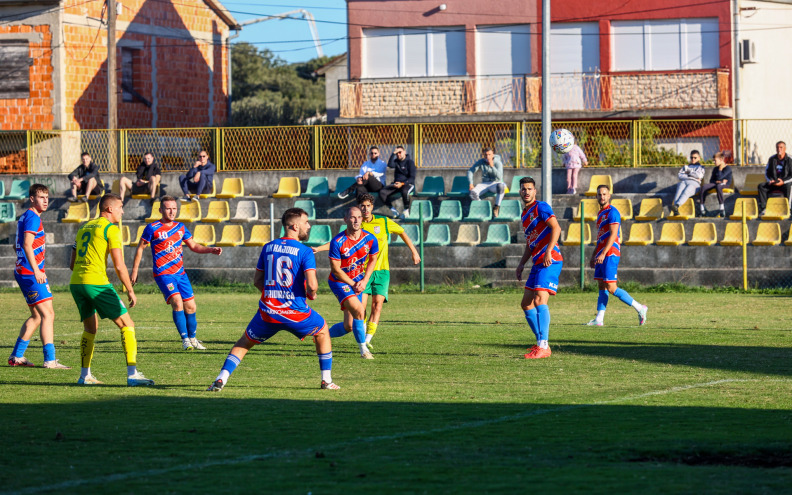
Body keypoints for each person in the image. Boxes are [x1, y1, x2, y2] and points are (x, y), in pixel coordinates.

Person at [207, 208, 339, 391]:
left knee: (243, 343)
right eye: (306, 222)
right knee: (323, 331)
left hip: (268, 312)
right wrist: (310, 294)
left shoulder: (268, 247)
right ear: (294, 226)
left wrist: (272, 295)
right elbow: (313, 286)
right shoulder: (305, 251)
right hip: (295, 313)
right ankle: (327, 381)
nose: (309, 225)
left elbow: (257, 282)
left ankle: (221, 379)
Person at [313, 193, 420, 348]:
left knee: (377, 305)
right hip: (361, 273)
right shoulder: (356, 223)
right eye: (362, 206)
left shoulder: (383, 221)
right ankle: (360, 339)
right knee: (360, 309)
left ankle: (367, 341)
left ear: (372, 207)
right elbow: (338, 242)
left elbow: (402, 232)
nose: (365, 209)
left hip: (382, 270)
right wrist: (319, 248)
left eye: (368, 205)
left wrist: (414, 251)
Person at [69, 193, 154, 386]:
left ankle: (85, 376)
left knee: (90, 328)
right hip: (96, 283)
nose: (122, 211)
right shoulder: (111, 229)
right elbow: (119, 265)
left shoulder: (84, 227)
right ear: (109, 209)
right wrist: (130, 290)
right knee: (127, 324)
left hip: (76, 283)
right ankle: (133, 375)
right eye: (121, 207)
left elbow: (72, 263)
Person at [131, 196, 223, 351]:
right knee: (177, 302)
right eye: (168, 208)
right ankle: (185, 339)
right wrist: (134, 270)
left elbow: (193, 245)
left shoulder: (180, 227)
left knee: (191, 307)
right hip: (163, 273)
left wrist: (210, 249)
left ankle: (193, 339)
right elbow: (140, 248)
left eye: (174, 208)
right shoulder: (152, 228)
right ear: (161, 210)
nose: (172, 211)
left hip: (180, 274)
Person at [8, 184, 70, 369]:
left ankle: (17, 356)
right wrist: (36, 270)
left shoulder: (25, 217)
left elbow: (17, 245)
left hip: (22, 271)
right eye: (41, 197)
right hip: (30, 273)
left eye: (46, 197)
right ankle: (50, 360)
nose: (45, 201)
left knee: (36, 316)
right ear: (32, 199)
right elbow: (27, 244)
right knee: (48, 314)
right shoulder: (33, 218)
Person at [586, 185, 648, 327]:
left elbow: (614, 235)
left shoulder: (613, 212)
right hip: (602, 253)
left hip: (610, 253)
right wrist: (594, 254)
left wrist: (602, 253)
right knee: (602, 286)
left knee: (611, 287)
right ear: (596, 196)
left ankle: (640, 308)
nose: (602, 197)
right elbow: (601, 237)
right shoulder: (600, 214)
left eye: (604, 194)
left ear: (609, 196)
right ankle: (599, 319)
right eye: (599, 194)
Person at [515, 177, 563, 359]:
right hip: (537, 261)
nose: (526, 192)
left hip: (551, 260)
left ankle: (543, 346)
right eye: (523, 189)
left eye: (529, 189)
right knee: (526, 303)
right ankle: (541, 343)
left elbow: (556, 228)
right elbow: (530, 243)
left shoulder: (541, 207)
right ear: (520, 192)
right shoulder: (524, 215)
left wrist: (550, 250)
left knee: (539, 300)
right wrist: (521, 264)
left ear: (535, 191)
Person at [325, 206, 379, 359]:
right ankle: (364, 351)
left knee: (348, 326)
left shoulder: (370, 239)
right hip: (339, 281)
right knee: (359, 311)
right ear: (346, 219)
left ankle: (321, 335)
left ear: (362, 219)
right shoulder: (337, 242)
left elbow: (373, 259)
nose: (356, 220)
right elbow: (336, 270)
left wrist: (364, 280)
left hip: (358, 281)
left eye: (359, 217)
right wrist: (353, 283)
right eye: (353, 217)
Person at [379, 146, 416, 219]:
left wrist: (402, 184)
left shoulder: (410, 162)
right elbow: (390, 165)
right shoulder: (396, 162)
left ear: (404, 152)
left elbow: (412, 178)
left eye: (400, 152)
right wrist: (393, 153)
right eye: (397, 153)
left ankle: (406, 211)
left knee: (405, 191)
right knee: (382, 192)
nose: (398, 154)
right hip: (396, 184)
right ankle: (394, 211)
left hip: (407, 184)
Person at [468, 147, 506, 218]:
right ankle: (483, 209)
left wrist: (492, 166)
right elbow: (470, 171)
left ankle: (496, 207)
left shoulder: (498, 163)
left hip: (495, 183)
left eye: (489, 154)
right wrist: (471, 183)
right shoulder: (481, 162)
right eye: (486, 155)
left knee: (501, 186)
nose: (487, 157)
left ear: (493, 155)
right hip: (485, 184)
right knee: (472, 193)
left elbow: (499, 177)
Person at [758, 141, 792, 215]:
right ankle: (764, 209)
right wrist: (770, 180)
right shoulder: (772, 159)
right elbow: (767, 172)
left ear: (785, 149)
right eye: (777, 147)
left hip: (784, 183)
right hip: (774, 182)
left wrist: (783, 181)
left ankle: (788, 209)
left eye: (781, 147)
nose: (779, 149)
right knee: (761, 186)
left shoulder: (790, 159)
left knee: (789, 186)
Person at [670, 150, 705, 216]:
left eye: (695, 158)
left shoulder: (701, 167)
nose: (693, 159)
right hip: (684, 182)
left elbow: (699, 176)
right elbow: (680, 175)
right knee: (679, 191)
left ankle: (677, 205)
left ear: (699, 158)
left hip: (695, 183)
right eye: (691, 157)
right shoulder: (686, 166)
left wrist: (688, 173)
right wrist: (692, 175)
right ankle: (675, 210)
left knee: (686, 191)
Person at [699, 152, 732, 218]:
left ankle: (721, 208)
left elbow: (720, 177)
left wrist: (720, 169)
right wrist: (718, 181)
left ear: (721, 159)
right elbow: (711, 180)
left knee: (719, 186)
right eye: (713, 160)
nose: (714, 162)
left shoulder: (728, 168)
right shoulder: (715, 169)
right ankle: (702, 208)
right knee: (704, 187)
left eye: (715, 160)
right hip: (716, 183)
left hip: (725, 185)